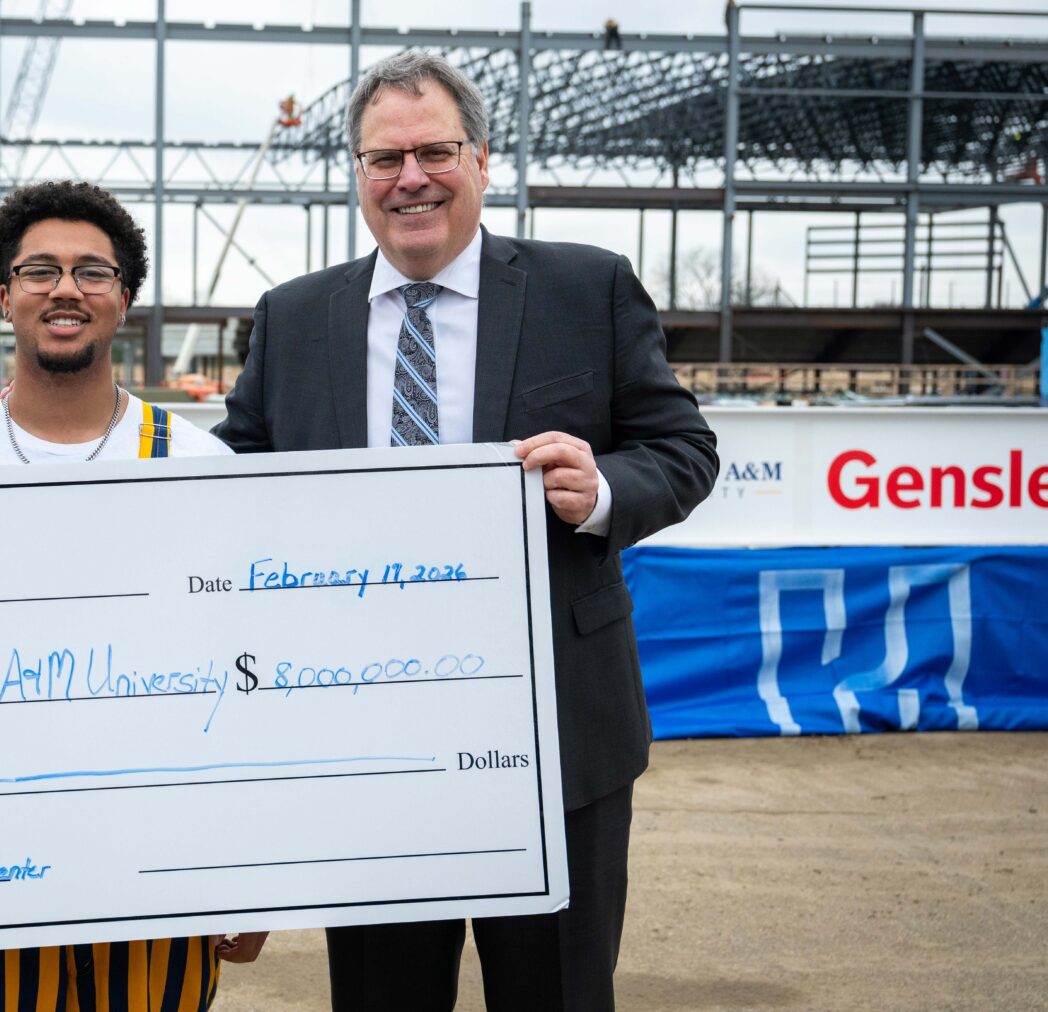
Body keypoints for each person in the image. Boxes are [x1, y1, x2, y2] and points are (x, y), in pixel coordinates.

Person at [213, 51, 718, 1010]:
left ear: (482, 159)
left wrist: (604, 486)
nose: (411, 179)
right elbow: (231, 482)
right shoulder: (292, 317)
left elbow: (682, 447)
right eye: (383, 159)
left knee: (558, 994)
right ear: (357, 177)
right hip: (368, 743)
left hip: (558, 736)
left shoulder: (588, 289)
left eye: (435, 151)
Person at [0, 179, 269, 1011]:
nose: (65, 289)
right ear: (3, 295)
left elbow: (241, 680)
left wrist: (249, 870)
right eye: (40, 271)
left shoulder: (203, 467)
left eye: (93, 272)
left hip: (158, 883)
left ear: (125, 298)